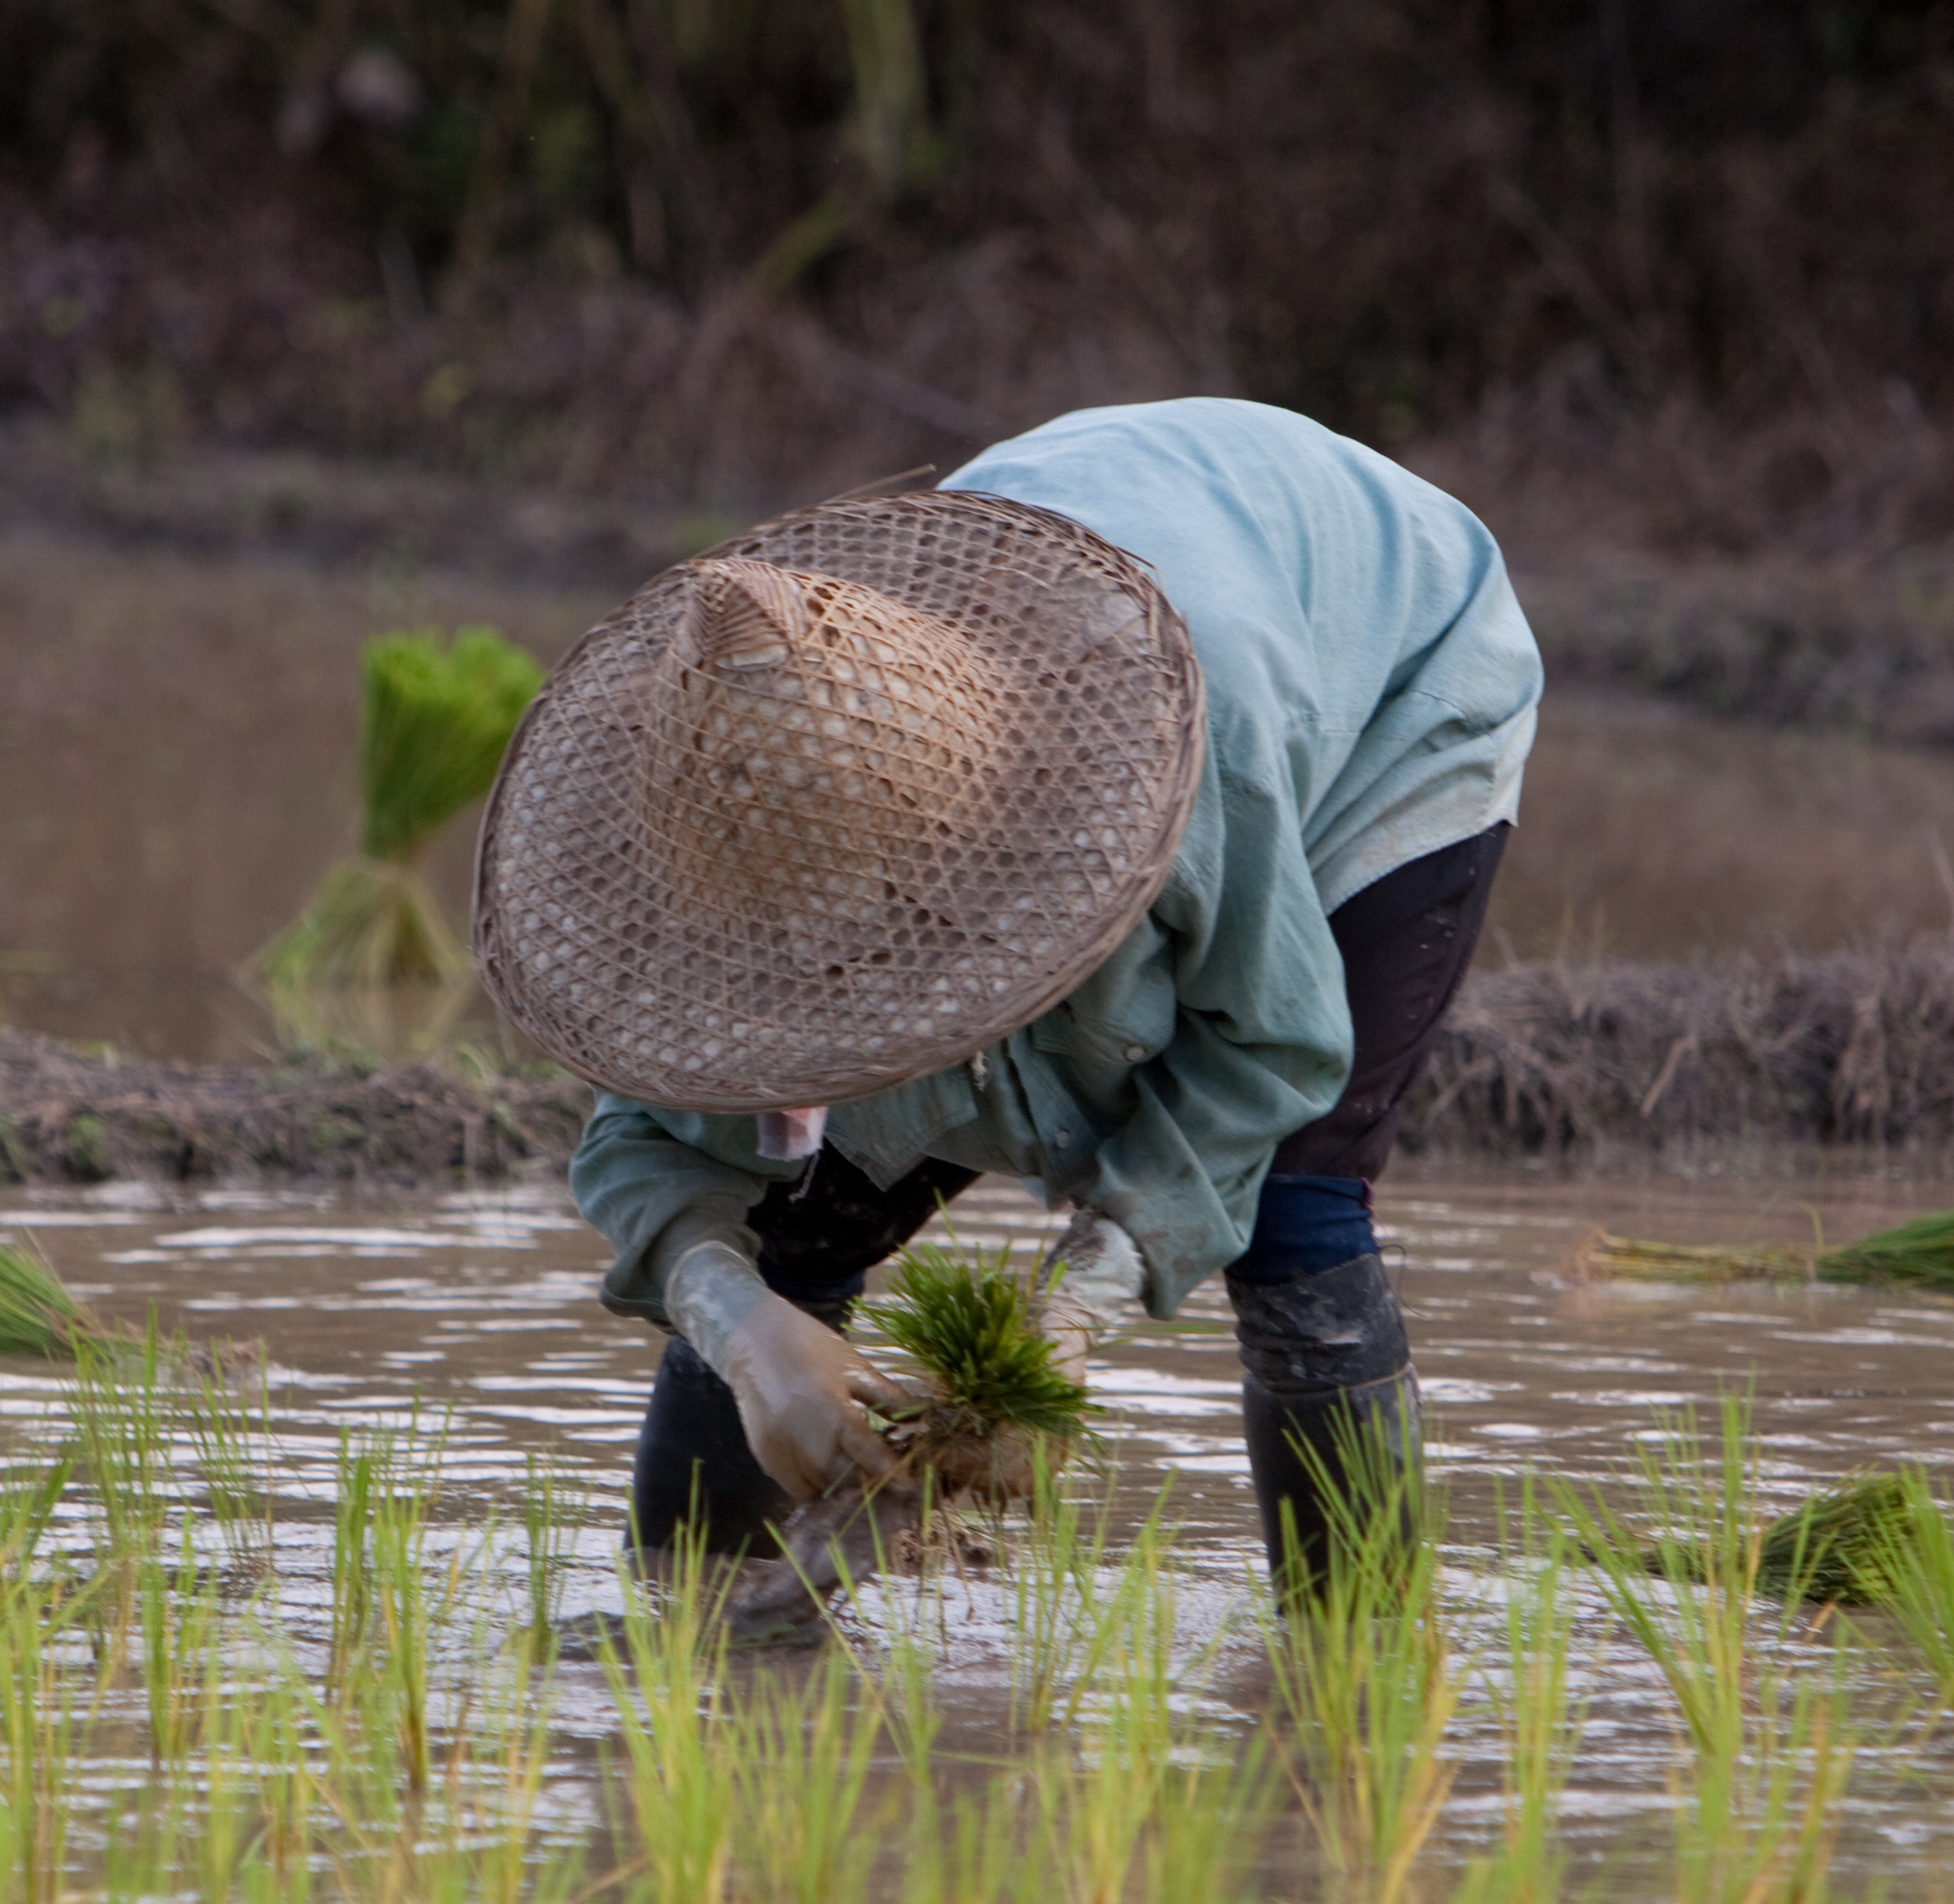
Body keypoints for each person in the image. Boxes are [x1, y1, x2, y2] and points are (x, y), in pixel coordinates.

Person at [472, 396, 1542, 1601]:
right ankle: (706, 1637)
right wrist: (740, 1328)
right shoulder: (738, 791)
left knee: (1294, 1213)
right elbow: (644, 1133)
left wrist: (1071, 1315)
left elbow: (1272, 1054)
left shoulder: (1186, 768)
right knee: (794, 1225)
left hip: (1386, 662)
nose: (835, 994)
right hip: (1011, 604)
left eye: (864, 954)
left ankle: (1358, 1681)